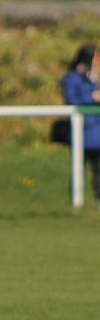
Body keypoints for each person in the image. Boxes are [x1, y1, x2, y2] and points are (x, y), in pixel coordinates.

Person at [60, 44, 100, 204]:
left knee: (98, 170)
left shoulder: (93, 78)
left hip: (96, 132)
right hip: (82, 131)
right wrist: (92, 98)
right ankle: (75, 202)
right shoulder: (72, 78)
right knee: (78, 169)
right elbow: (71, 101)